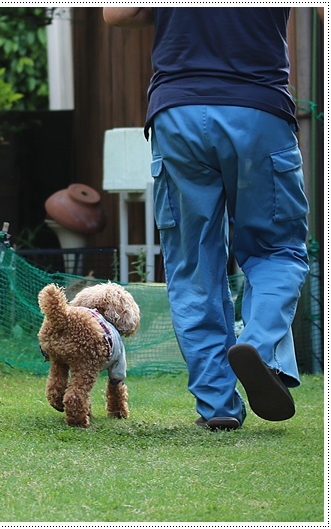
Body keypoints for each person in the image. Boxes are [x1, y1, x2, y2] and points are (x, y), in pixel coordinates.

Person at [102, 7, 317, 430]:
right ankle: (257, 348)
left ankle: (218, 405)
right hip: (258, 111)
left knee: (194, 266)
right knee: (277, 251)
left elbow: (118, 13)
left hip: (178, 111)